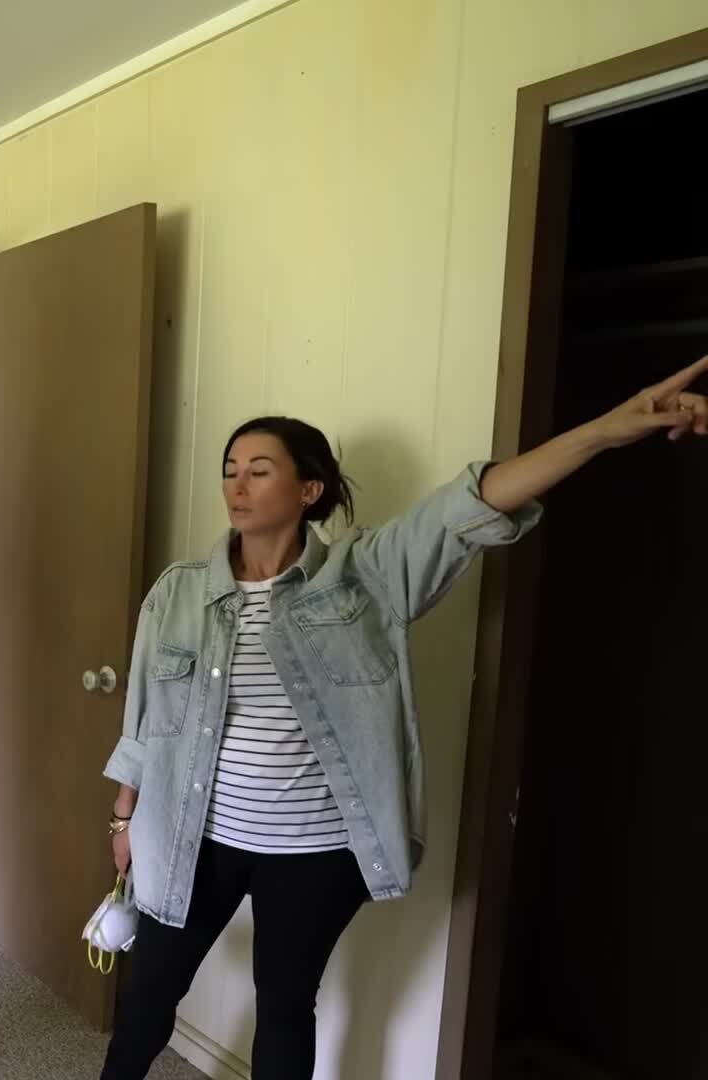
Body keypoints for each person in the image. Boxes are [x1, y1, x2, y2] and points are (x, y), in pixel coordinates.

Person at [97, 356, 708, 1080]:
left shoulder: (369, 575)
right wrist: (123, 818)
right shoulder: (179, 592)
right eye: (231, 469)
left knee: (285, 1005)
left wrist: (607, 429)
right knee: (151, 995)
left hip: (315, 850)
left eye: (260, 470)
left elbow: (472, 503)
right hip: (194, 835)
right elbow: (146, 718)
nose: (237, 484)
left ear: (308, 490)